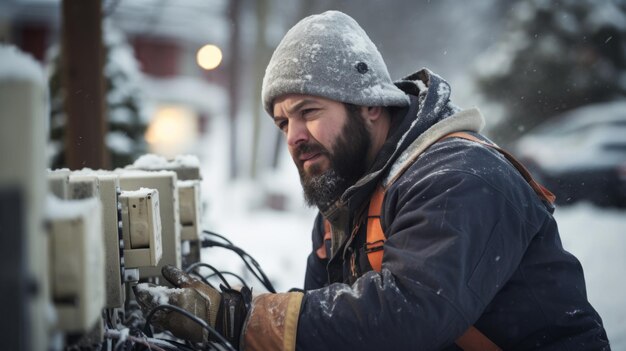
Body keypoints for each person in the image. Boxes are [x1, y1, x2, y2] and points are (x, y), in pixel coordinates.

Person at [135, 10, 610, 350]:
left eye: (309, 112)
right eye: (283, 122)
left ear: (370, 105)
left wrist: (239, 317)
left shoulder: (460, 177)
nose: (295, 137)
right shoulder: (343, 210)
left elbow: (410, 315)